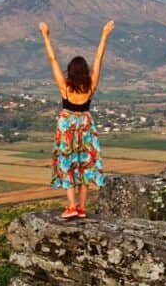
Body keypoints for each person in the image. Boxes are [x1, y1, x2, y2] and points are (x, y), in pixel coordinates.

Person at [39, 19, 113, 219]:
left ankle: (71, 206)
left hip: (67, 126)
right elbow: (99, 57)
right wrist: (104, 34)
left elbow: (52, 59)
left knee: (68, 163)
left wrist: (46, 35)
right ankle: (81, 207)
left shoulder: (65, 87)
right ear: (85, 72)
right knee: (85, 164)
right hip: (85, 125)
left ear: (70, 72)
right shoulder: (91, 86)